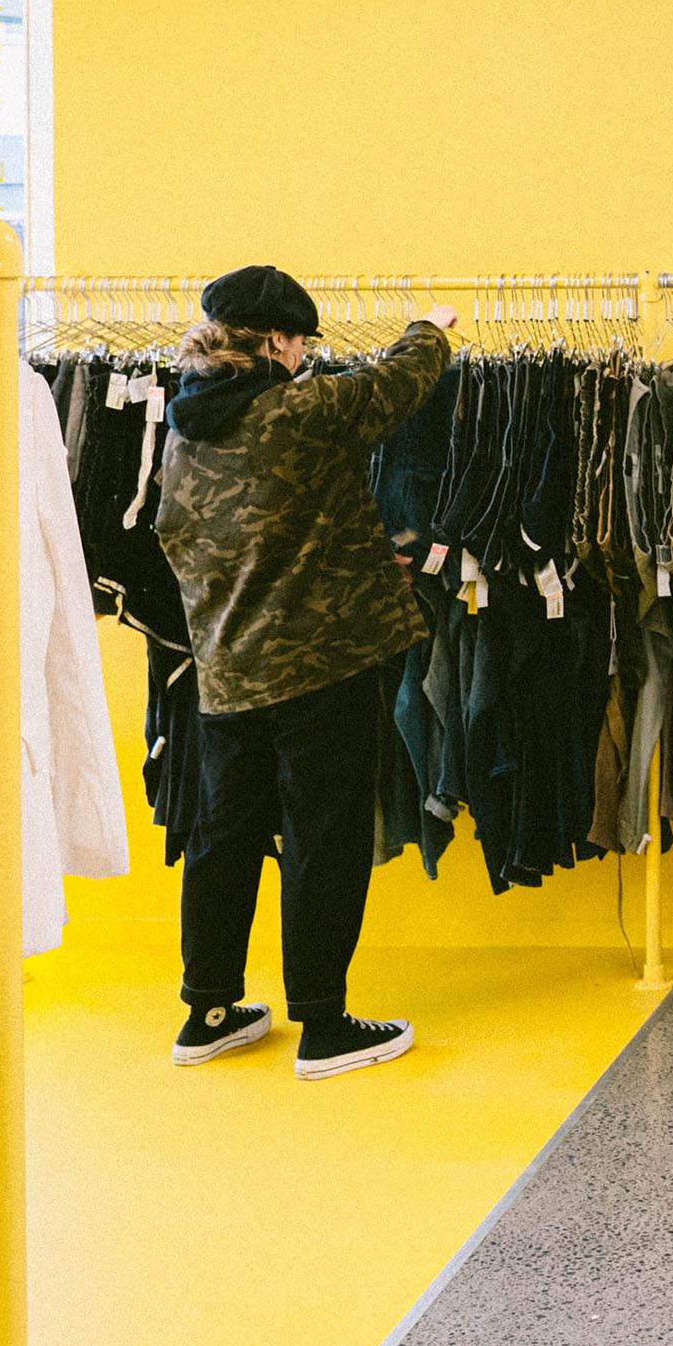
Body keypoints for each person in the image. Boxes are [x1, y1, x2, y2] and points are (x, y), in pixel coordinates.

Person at [154, 265, 455, 1080]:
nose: (303, 357)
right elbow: (393, 387)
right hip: (318, 667)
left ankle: (208, 1011)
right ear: (278, 340)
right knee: (324, 838)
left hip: (227, 670)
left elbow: (186, 534)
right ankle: (323, 1025)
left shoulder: (183, 427)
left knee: (223, 837)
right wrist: (430, 327)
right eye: (300, 343)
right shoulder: (300, 409)